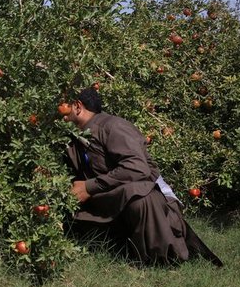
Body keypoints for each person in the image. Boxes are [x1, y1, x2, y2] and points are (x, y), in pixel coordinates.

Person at [63, 85, 222, 266]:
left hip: (151, 199)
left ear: (77, 106)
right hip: (111, 198)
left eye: (62, 105)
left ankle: (161, 258)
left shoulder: (112, 126)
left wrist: (90, 187)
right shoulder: (76, 136)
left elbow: (137, 168)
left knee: (140, 194)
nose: (58, 112)